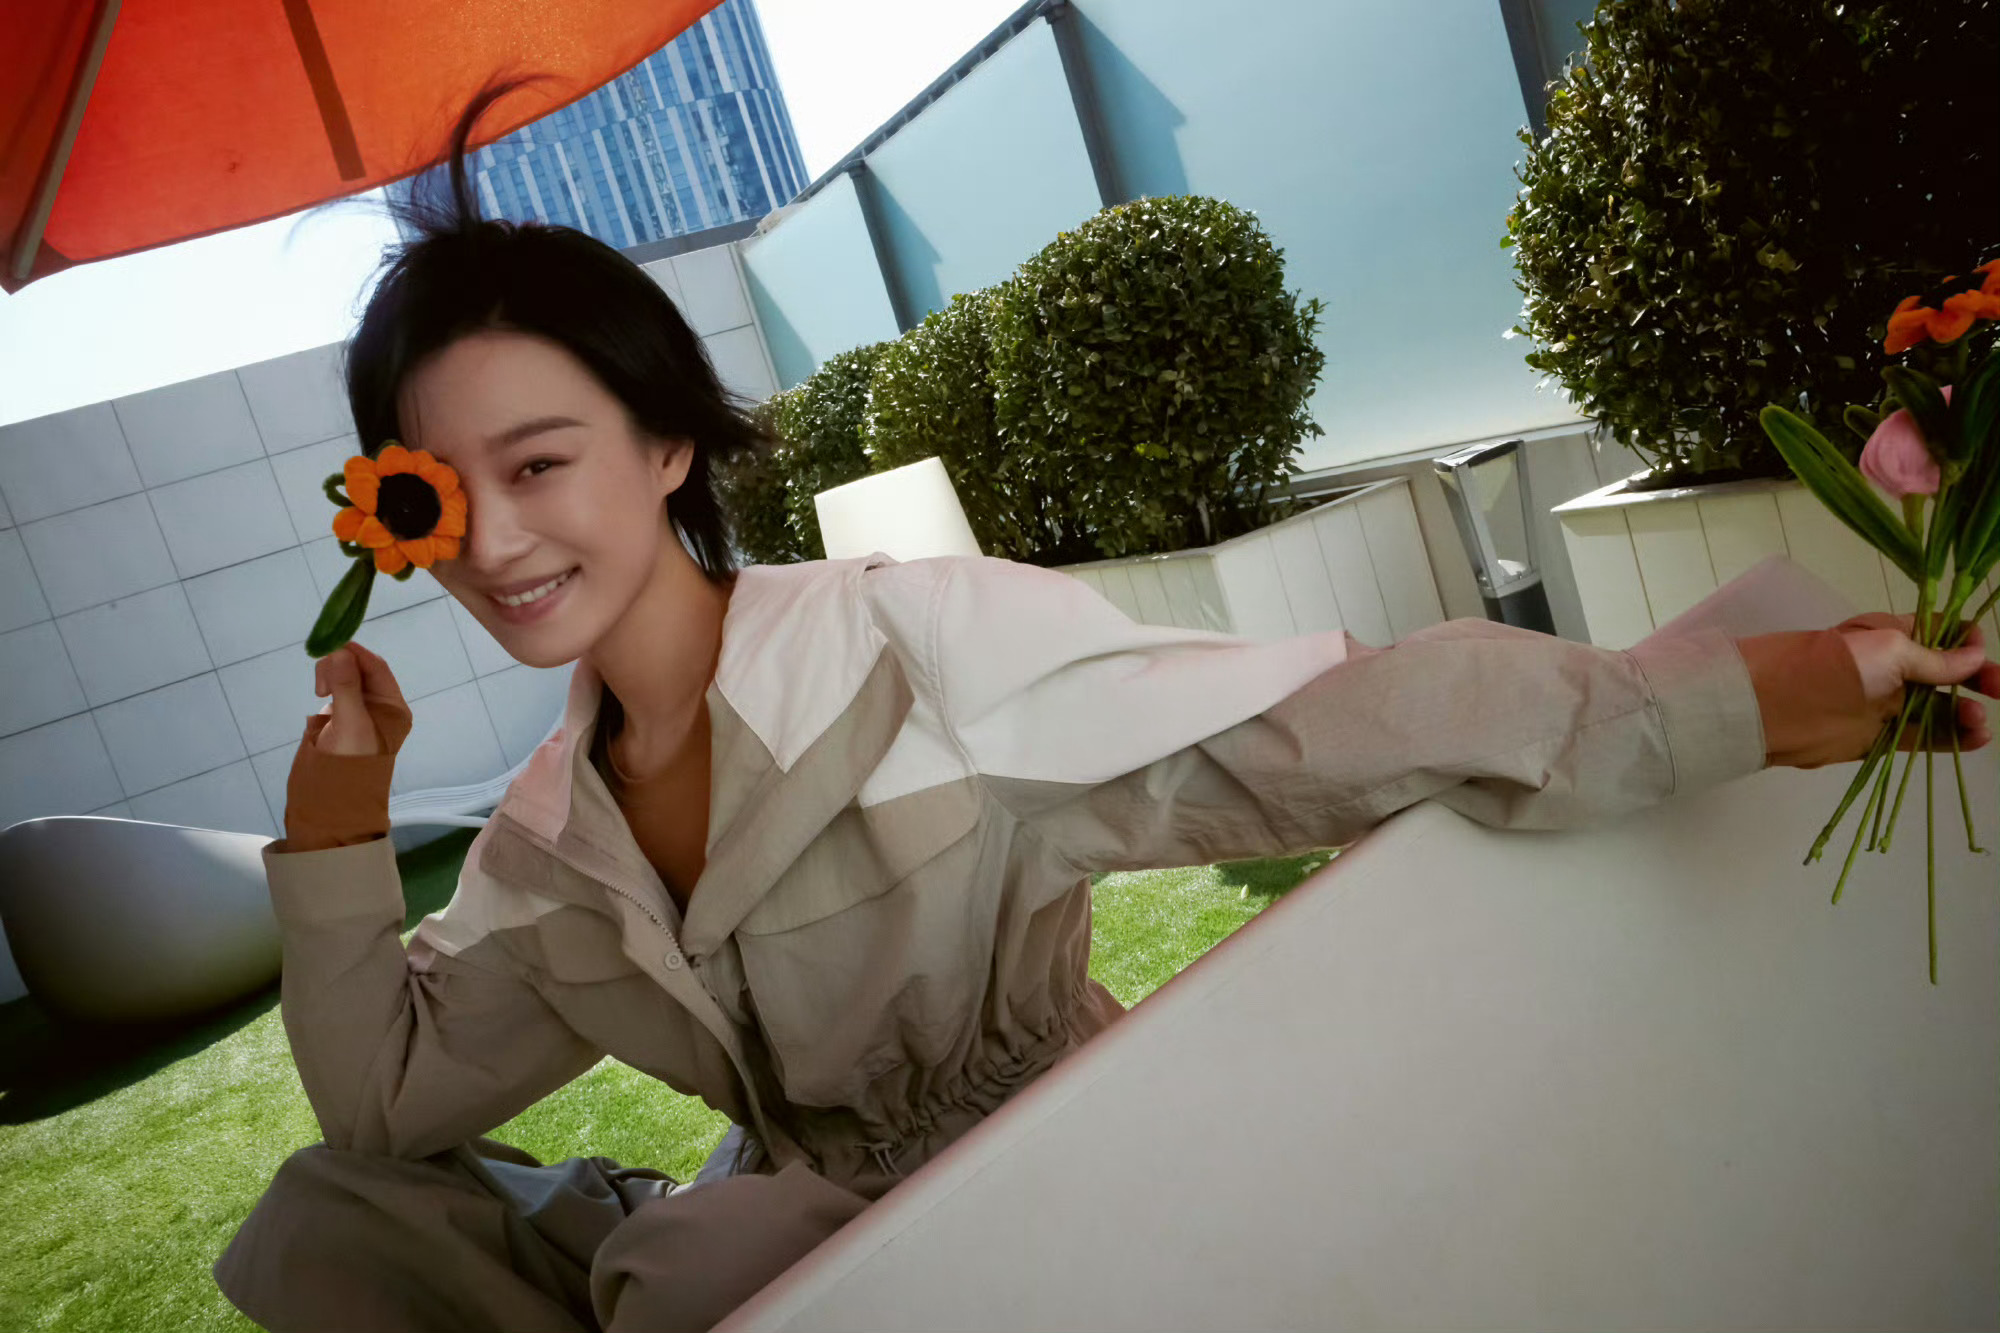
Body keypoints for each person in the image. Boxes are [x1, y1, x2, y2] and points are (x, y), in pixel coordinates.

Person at [211, 82, 1999, 1333]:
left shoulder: (910, 652)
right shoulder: (547, 842)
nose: (496, 540)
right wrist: (338, 821)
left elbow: (1335, 726)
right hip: (777, 1235)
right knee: (322, 1221)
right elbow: (382, 1101)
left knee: (693, 1270)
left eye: (541, 462)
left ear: (668, 441)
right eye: (439, 492)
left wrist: (1754, 693)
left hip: (1059, 1185)